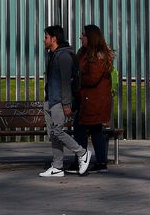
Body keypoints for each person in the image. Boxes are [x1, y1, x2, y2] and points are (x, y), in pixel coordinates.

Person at [40, 24, 92, 178]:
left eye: (46, 37)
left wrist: (66, 104)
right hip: (50, 100)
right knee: (53, 134)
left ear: (54, 39)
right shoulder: (53, 54)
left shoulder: (63, 56)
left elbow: (65, 82)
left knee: (57, 131)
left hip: (59, 102)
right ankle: (57, 167)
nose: (44, 40)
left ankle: (82, 153)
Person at [73, 25, 115, 173]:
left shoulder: (97, 56)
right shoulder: (84, 53)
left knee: (81, 128)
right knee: (95, 130)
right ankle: (100, 162)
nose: (81, 37)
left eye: (83, 35)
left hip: (93, 100)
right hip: (89, 99)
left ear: (91, 38)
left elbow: (92, 79)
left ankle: (82, 159)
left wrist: (77, 78)